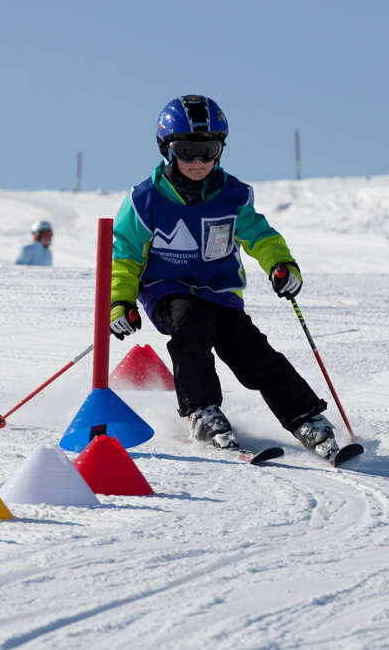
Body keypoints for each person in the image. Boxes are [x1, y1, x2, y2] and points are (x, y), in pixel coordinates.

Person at [109, 95, 339, 459]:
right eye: (187, 150)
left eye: (209, 150)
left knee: (251, 352)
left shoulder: (232, 195)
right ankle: (201, 410)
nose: (199, 161)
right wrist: (120, 301)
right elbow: (124, 254)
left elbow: (261, 235)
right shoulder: (145, 199)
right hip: (167, 290)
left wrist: (280, 265)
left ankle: (305, 417)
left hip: (220, 292)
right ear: (167, 150)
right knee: (190, 323)